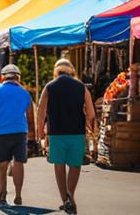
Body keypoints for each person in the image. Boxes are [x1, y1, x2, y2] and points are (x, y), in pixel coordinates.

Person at [36, 58, 97, 215]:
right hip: (77, 133)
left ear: (56, 72)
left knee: (59, 166)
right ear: (72, 71)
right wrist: (93, 131)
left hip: (56, 133)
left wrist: (40, 132)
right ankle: (71, 194)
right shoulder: (81, 87)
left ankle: (65, 200)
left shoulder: (49, 87)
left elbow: (41, 112)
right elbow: (91, 113)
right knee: (75, 165)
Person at [0, 64, 34, 206]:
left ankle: (1, 196)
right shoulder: (25, 93)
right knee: (19, 163)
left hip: (2, 133)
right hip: (20, 133)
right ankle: (18, 196)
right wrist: (32, 137)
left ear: (3, 77)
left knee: (1, 166)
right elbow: (30, 118)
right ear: (18, 77)